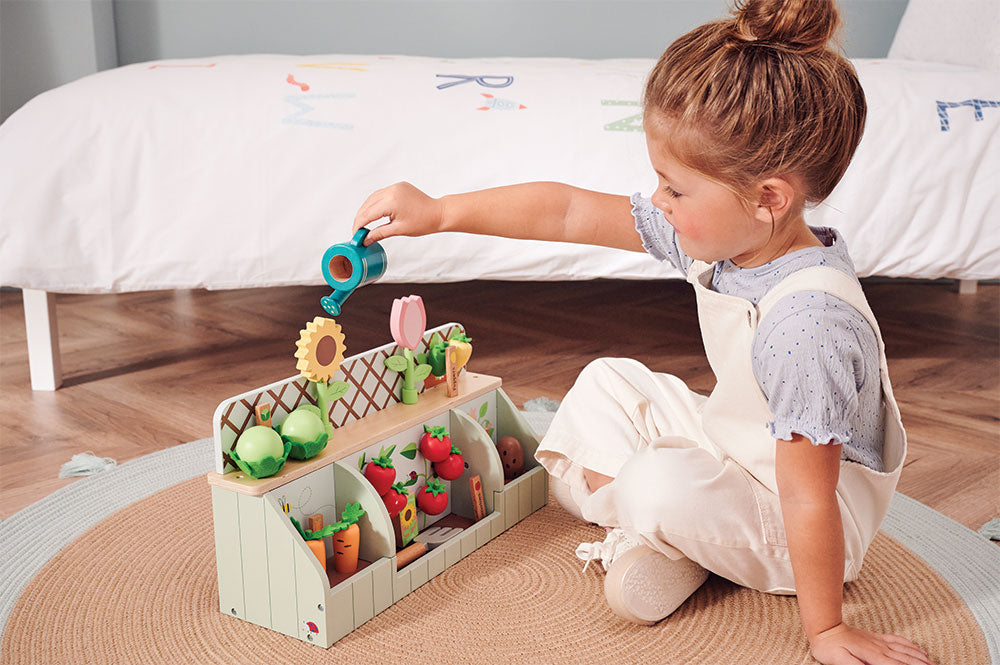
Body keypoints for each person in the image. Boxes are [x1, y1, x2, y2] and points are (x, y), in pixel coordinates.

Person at [352, 1, 935, 662]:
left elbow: (807, 494)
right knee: (606, 382)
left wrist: (826, 629)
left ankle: (649, 529)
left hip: (811, 515)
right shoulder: (730, 238)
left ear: (769, 198)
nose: (658, 201)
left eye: (675, 188)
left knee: (656, 483)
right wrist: (439, 211)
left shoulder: (808, 327)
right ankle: (671, 541)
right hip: (738, 450)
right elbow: (570, 211)